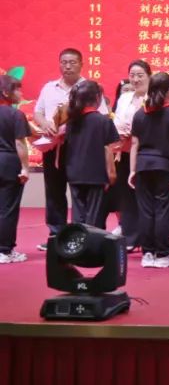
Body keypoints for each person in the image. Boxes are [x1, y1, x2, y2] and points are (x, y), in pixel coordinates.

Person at [33, 48, 106, 247]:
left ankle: (80, 235)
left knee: (80, 192)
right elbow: (38, 112)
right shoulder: (49, 88)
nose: (67, 66)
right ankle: (56, 234)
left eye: (72, 62)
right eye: (64, 62)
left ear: (82, 64)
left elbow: (101, 115)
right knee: (54, 191)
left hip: (80, 149)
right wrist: (45, 124)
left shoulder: (90, 88)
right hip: (53, 147)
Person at [129, 72, 169, 268]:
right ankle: (163, 254)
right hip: (166, 167)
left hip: (142, 166)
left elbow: (134, 144)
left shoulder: (140, 114)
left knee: (146, 211)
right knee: (164, 211)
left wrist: (132, 170)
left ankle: (148, 254)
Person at [63, 80, 119, 229]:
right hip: (96, 175)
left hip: (75, 173)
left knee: (78, 216)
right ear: (98, 98)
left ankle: (78, 241)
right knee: (94, 218)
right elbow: (108, 148)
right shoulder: (104, 121)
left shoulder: (72, 121)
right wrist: (111, 173)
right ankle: (92, 243)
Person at [110, 60, 152, 250]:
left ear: (149, 76)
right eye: (132, 75)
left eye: (140, 75)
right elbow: (117, 119)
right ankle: (130, 236)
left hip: (147, 152)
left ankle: (147, 237)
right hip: (125, 151)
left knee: (145, 195)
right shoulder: (124, 98)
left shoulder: (154, 98)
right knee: (126, 195)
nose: (135, 79)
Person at [0, 75, 31, 264]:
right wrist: (25, 168)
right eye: (17, 89)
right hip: (9, 163)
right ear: (5, 92)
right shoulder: (16, 115)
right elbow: (20, 143)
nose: (21, 93)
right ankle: (4, 250)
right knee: (8, 209)